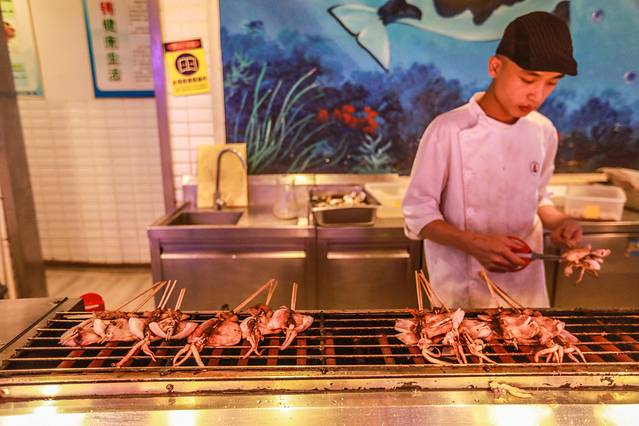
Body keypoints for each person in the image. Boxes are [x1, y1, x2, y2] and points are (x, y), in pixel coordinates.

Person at [402, 11, 583, 308]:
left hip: (526, 295)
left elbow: (538, 199)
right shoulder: (447, 129)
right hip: (462, 298)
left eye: (551, 83)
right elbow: (418, 214)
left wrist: (561, 222)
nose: (537, 95)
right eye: (528, 79)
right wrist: (474, 243)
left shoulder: (543, 130)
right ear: (495, 66)